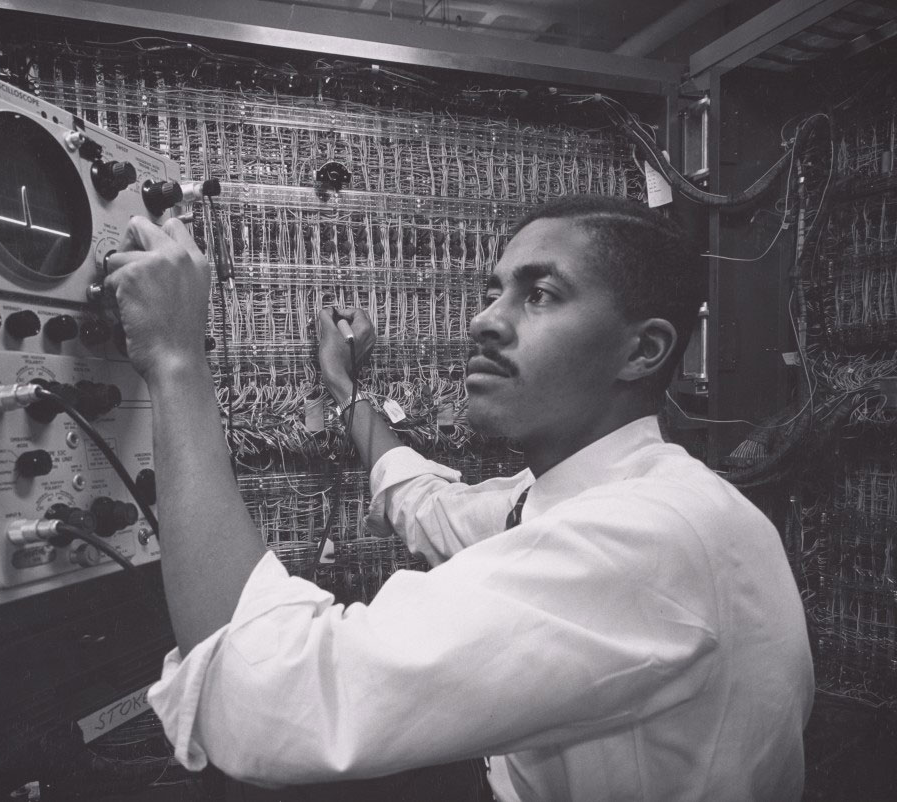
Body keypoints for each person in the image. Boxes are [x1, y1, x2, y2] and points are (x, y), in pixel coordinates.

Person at [104, 195, 814, 801]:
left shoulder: (648, 537)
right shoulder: (576, 498)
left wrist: (175, 358)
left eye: (540, 295)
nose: (484, 321)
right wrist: (348, 392)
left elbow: (260, 693)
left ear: (643, 350)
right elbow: (427, 500)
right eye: (493, 291)